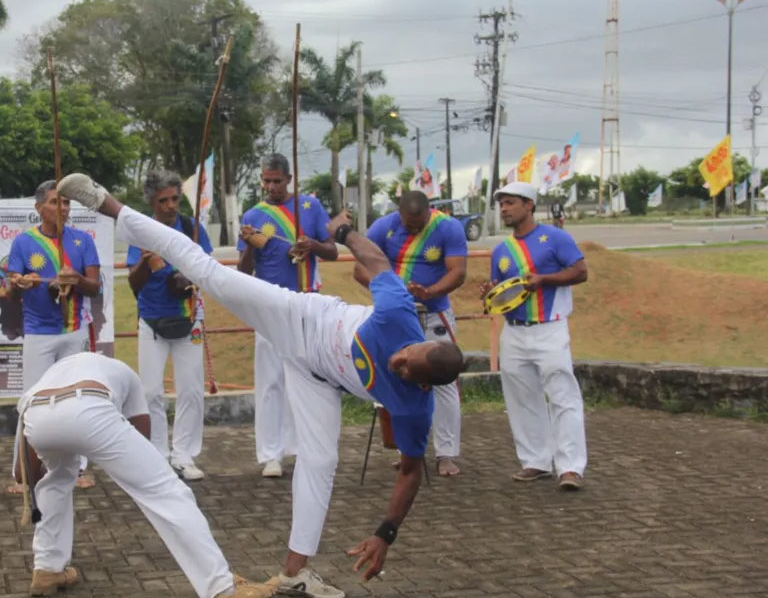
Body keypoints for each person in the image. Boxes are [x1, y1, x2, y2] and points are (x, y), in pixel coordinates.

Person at [57, 172, 465, 598]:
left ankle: (294, 572)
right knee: (210, 274)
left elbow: (409, 471)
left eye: (404, 371)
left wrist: (386, 533)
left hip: (318, 379)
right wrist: (345, 233)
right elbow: (378, 261)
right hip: (300, 319)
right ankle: (109, 205)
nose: (397, 362)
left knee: (321, 461)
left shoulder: (414, 407)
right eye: (406, 355)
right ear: (421, 341)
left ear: (421, 385)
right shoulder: (399, 311)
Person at [17, 351, 279, 598]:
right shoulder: (122, 370)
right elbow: (141, 432)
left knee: (56, 480)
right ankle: (225, 590)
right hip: (89, 407)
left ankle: (47, 569)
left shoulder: (50, 376)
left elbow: (20, 472)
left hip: (38, 416)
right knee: (166, 491)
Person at [480, 182, 588, 490]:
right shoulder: (501, 251)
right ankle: (536, 461)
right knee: (521, 398)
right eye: (501, 205)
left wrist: (544, 280)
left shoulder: (556, 238)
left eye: (510, 203)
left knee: (562, 396)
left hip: (550, 328)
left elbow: (581, 272)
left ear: (529, 205)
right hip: (513, 332)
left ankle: (569, 467)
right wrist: (489, 295)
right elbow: (502, 294)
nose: (504, 209)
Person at [237, 153, 338, 478]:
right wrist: (250, 244)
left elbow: (333, 251)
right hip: (269, 305)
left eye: (277, 181)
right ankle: (270, 454)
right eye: (266, 181)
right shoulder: (254, 214)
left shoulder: (310, 207)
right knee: (270, 380)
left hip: (307, 302)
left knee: (307, 376)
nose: (271, 187)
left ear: (289, 179)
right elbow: (243, 270)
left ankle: (302, 447)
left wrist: (312, 245)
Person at [357, 190, 468, 477]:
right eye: (409, 225)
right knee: (400, 379)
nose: (415, 229)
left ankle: (445, 454)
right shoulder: (383, 227)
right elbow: (360, 270)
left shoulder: (448, 227)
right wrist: (392, 295)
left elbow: (458, 272)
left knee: (443, 383)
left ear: (429, 212)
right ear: (399, 214)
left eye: (420, 225)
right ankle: (410, 451)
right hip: (398, 317)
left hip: (435, 313)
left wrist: (429, 292)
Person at [4, 179, 101, 491]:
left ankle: (76, 468)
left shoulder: (82, 240)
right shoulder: (23, 243)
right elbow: (10, 289)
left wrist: (75, 279)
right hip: (38, 333)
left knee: (75, 400)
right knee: (33, 401)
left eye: (67, 203)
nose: (63, 208)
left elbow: (95, 286)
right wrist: (22, 283)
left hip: (74, 331)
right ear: (38, 209)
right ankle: (25, 471)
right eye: (56, 202)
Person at [125, 170, 213, 482]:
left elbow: (208, 270)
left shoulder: (192, 229)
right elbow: (133, 285)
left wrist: (187, 277)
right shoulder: (141, 231)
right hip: (151, 319)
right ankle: (158, 454)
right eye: (164, 200)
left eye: (175, 198)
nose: (171, 205)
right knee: (150, 391)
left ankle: (185, 454)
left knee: (191, 389)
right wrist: (147, 265)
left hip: (189, 318)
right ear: (152, 202)